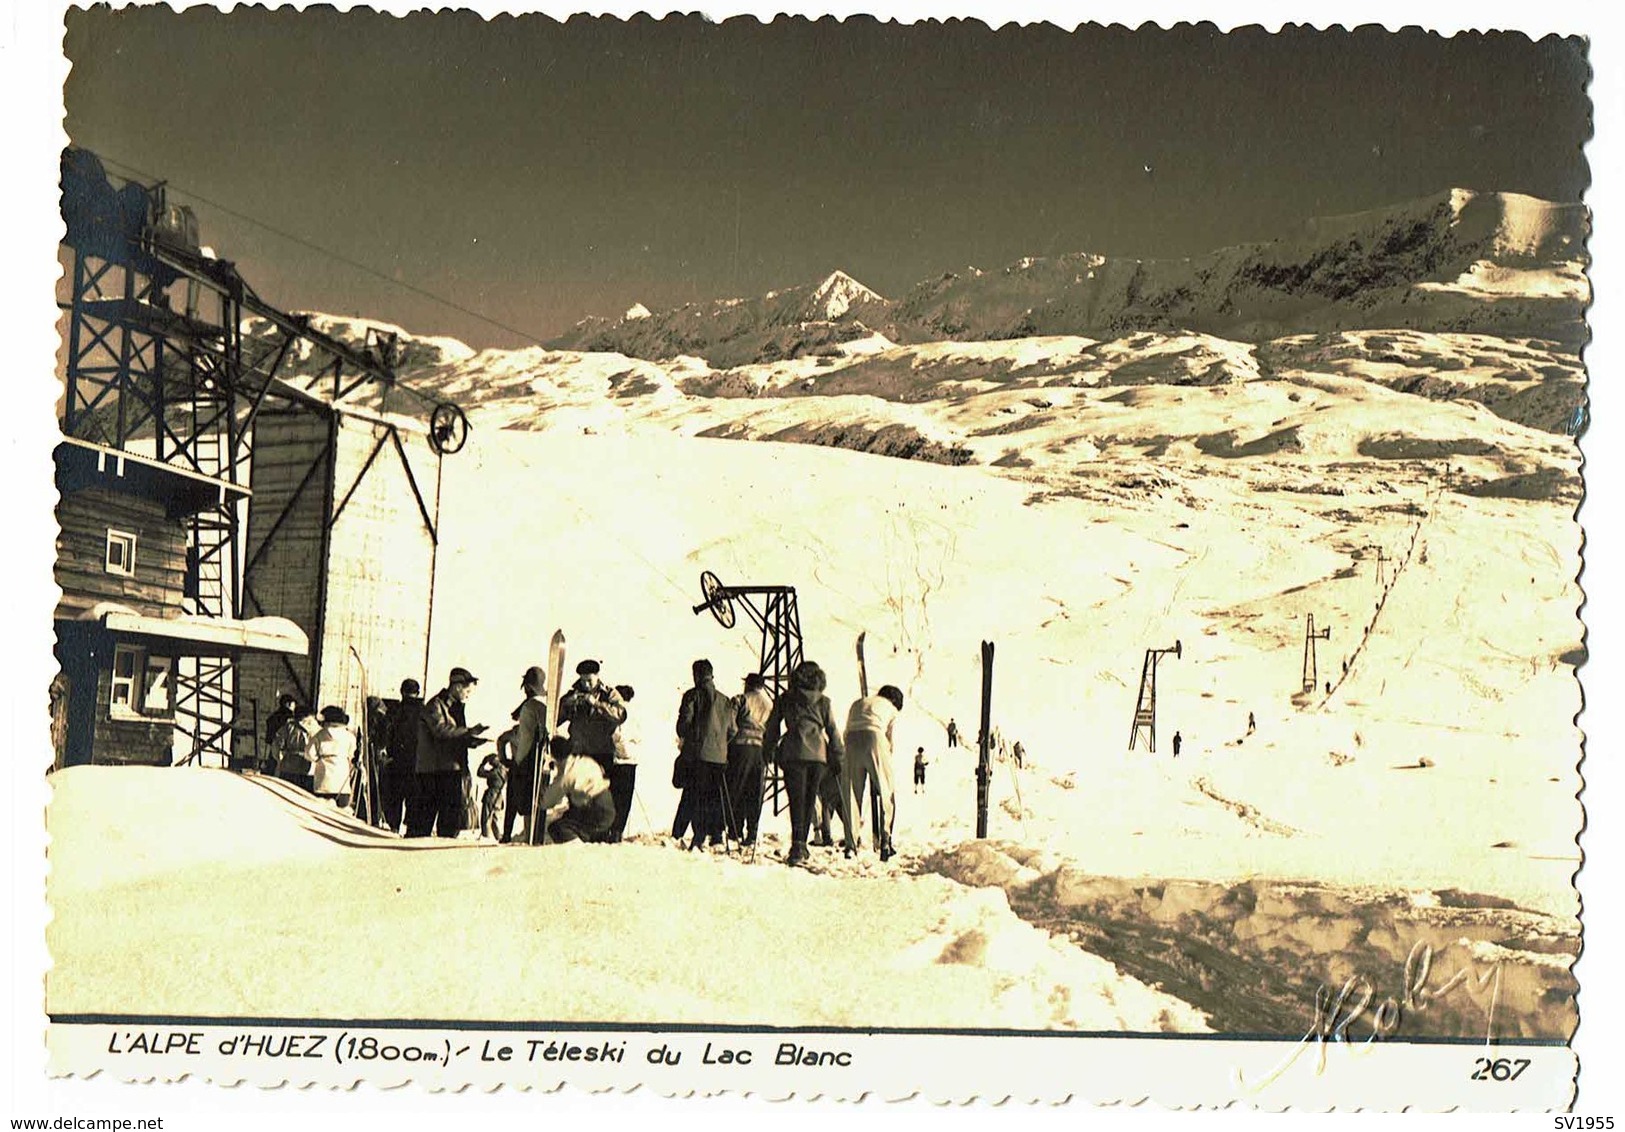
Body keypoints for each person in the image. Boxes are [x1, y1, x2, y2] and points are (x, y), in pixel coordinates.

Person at [763, 660, 844, 866]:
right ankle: (802, 845)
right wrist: (838, 756)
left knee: (796, 800)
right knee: (809, 801)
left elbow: (773, 726)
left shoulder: (786, 699)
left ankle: (797, 845)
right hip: (818, 756)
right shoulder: (824, 702)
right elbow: (833, 731)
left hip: (792, 752)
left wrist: (769, 749)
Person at [407, 667, 490, 838]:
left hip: (450, 771)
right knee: (422, 824)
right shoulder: (435, 705)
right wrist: (468, 732)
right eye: (467, 690)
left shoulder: (455, 707)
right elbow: (441, 731)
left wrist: (471, 740)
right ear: (458, 686)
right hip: (432, 773)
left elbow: (454, 734)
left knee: (449, 824)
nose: (468, 694)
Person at [675, 659, 737, 851]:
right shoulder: (725, 700)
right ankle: (716, 836)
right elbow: (733, 730)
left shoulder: (692, 696)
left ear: (696, 675)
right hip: (719, 757)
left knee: (694, 795)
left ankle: (695, 835)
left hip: (697, 755)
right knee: (713, 797)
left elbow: (684, 725)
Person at [844, 684, 904, 861]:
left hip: (851, 739)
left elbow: (846, 729)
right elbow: (890, 741)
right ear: (895, 700)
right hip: (875, 736)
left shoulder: (859, 702)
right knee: (887, 792)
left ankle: (850, 844)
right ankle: (885, 840)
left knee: (852, 795)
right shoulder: (891, 709)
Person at [540, 734, 616, 843]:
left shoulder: (566, 775)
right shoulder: (586, 761)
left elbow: (546, 802)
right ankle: (600, 835)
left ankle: (578, 846)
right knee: (570, 815)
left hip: (595, 810)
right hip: (608, 804)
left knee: (557, 828)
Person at [727, 673, 773, 846]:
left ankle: (734, 830)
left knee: (737, 788)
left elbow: (731, 726)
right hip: (760, 750)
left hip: (740, 748)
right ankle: (752, 832)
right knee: (755, 792)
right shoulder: (769, 704)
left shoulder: (740, 700)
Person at [505, 666, 550, 843]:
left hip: (527, 757)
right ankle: (526, 835)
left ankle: (525, 835)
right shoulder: (537, 704)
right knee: (527, 799)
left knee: (524, 800)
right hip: (528, 756)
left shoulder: (533, 705)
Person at [559, 660, 626, 776]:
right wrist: (566, 704)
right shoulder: (573, 694)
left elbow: (620, 716)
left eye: (589, 681)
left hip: (602, 755)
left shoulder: (609, 694)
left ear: (597, 676)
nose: (586, 685)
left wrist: (597, 704)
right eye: (583, 681)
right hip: (578, 755)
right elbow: (554, 719)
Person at [378, 680, 423, 833]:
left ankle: (394, 827)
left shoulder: (395, 710)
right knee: (414, 798)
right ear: (417, 693)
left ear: (401, 692)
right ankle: (410, 829)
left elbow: (386, 732)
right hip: (417, 762)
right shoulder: (423, 711)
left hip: (396, 760)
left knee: (395, 796)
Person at [607, 684, 638, 843]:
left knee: (614, 798)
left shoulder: (618, 713)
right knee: (625, 801)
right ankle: (618, 832)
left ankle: (612, 831)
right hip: (631, 762)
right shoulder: (635, 713)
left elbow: (616, 736)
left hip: (618, 761)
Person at [310, 706, 357, 808]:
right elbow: (353, 756)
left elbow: (309, 752)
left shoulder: (320, 735)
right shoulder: (349, 736)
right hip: (342, 781)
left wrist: (317, 759)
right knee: (341, 811)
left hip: (323, 782)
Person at [272, 705, 316, 792]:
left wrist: (279, 760)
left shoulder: (288, 728)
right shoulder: (317, 729)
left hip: (289, 767)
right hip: (309, 770)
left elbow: (276, 745)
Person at [478, 740, 510, 840]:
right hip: (499, 797)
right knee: (495, 819)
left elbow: (480, 773)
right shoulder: (504, 770)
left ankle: (486, 836)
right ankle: (498, 837)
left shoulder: (495, 772)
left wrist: (483, 763)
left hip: (492, 795)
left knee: (486, 818)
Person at [262, 693, 296, 772]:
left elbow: (269, 732)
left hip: (274, 745)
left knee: (271, 766)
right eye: (293, 705)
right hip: (286, 748)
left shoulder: (274, 716)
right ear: (288, 704)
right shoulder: (290, 718)